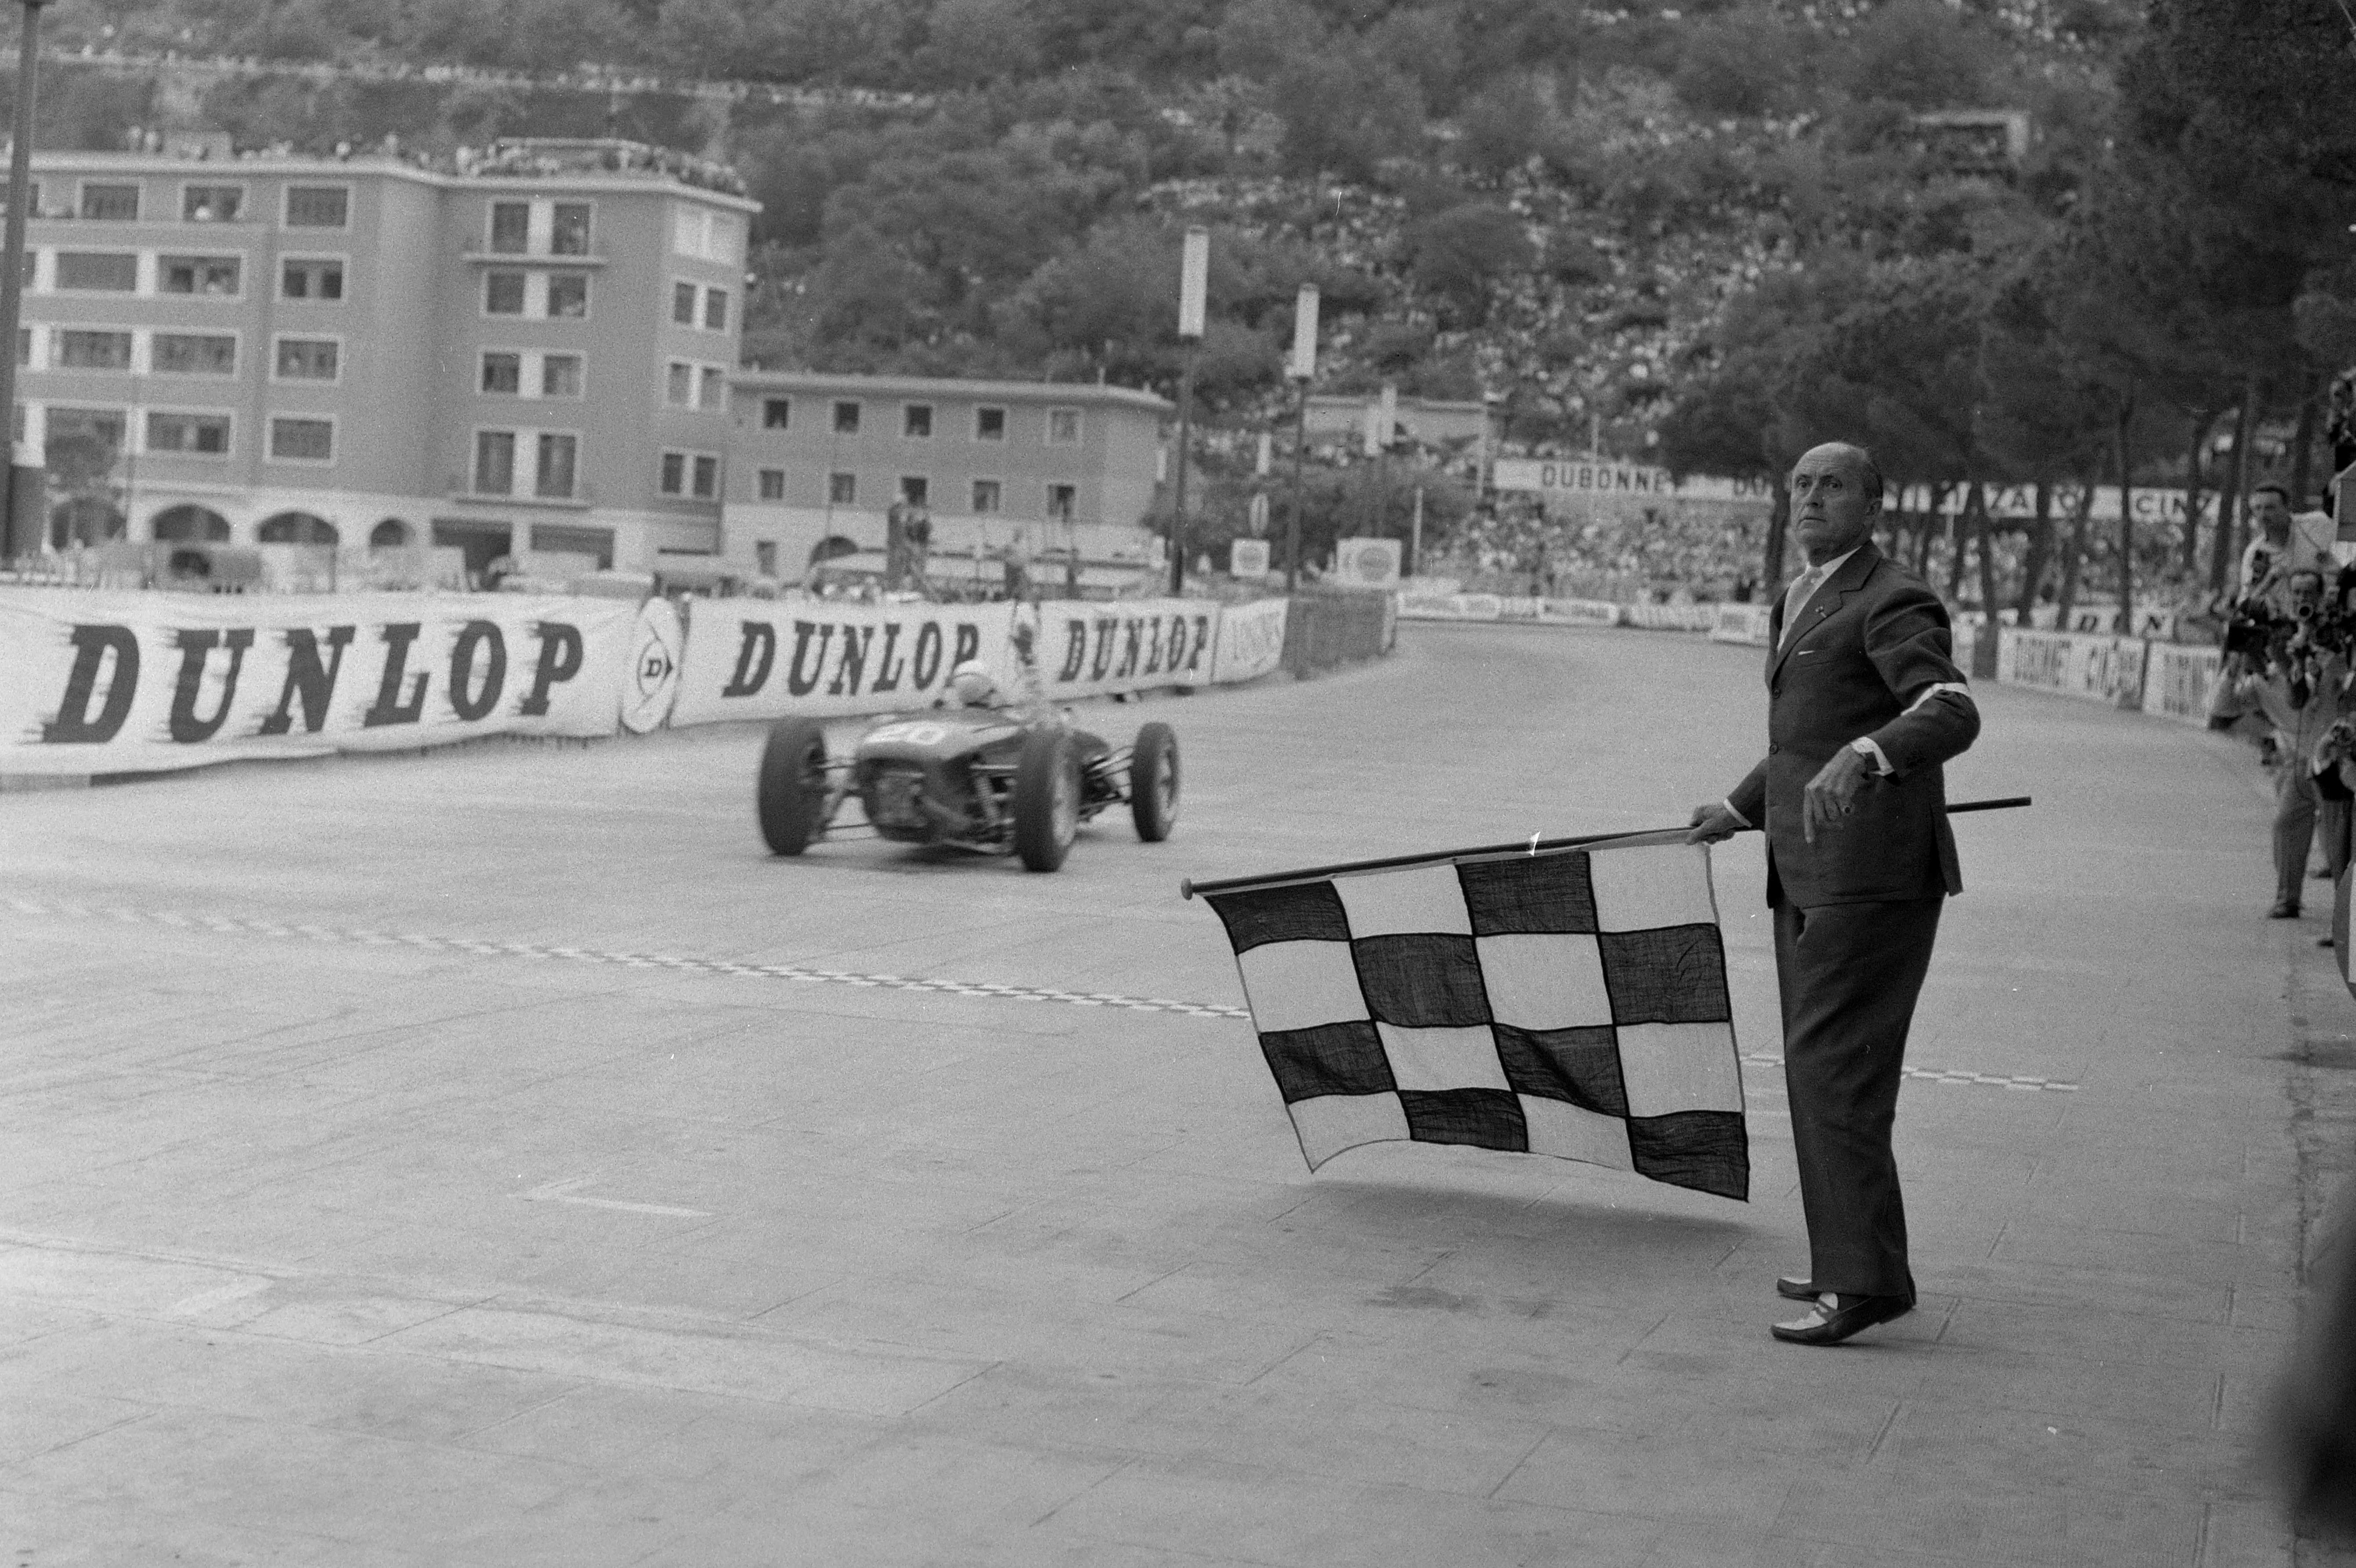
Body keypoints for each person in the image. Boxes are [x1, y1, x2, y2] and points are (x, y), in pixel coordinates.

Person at [1688, 442, 1981, 1347]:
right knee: (1822, 1071)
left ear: (1872, 505)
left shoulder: (1890, 595)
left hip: (1870, 878)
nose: (1812, 499)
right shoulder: (1801, 594)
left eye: (1833, 487)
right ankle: (1847, 1258)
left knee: (1833, 1071)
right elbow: (1805, 735)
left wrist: (1871, 753)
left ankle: (1862, 1283)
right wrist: (1738, 808)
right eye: (1801, 486)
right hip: (1810, 871)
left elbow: (1949, 707)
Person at [2208, 568, 2352, 919]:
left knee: (2338, 843)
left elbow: (2311, 690)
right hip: (2298, 761)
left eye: (2309, 592)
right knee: (2286, 824)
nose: (2302, 599)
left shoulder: (2330, 640)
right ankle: (2287, 898)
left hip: (2332, 758)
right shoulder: (2264, 677)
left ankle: (2345, 916)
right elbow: (2219, 710)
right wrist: (2235, 661)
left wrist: (2307, 652)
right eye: (2296, 592)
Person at [2241, 484, 2337, 608]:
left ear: (2287, 507)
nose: (2263, 515)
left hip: (2327, 613)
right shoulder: (2255, 553)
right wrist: (2269, 581)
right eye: (2257, 509)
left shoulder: (2316, 525)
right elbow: (2246, 603)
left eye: (2270, 508)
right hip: (2282, 621)